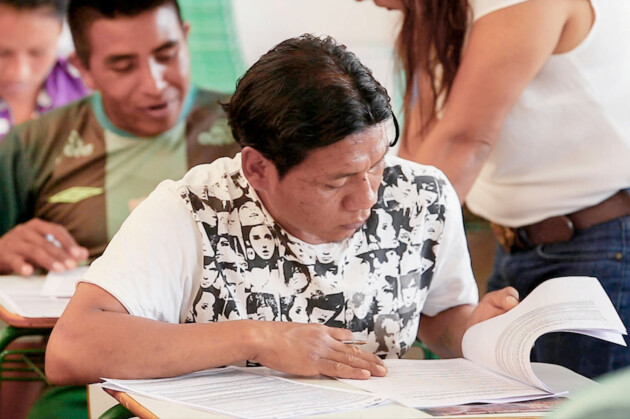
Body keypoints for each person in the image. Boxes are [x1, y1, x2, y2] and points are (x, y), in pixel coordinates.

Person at [45, 34, 519, 386]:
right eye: (335, 182)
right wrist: (257, 339)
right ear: (258, 169)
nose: (368, 197)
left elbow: (439, 318)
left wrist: (475, 332)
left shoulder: (421, 194)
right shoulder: (191, 211)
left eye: (377, 164)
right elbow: (73, 349)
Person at [364, 0, 630, 379]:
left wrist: (377, 262)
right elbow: (418, 164)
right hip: (520, 245)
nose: (375, 4)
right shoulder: (439, 17)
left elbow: (464, 143)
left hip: (598, 245)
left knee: (577, 407)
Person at [0, 0, 240, 277]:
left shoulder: (251, 126)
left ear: (185, 38)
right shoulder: (33, 144)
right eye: (124, 67)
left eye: (167, 55)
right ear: (84, 69)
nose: (155, 85)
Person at [0, 0, 88, 140]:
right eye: (2, 53)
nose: (19, 74)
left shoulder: (86, 85)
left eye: (38, 53)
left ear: (60, 31)